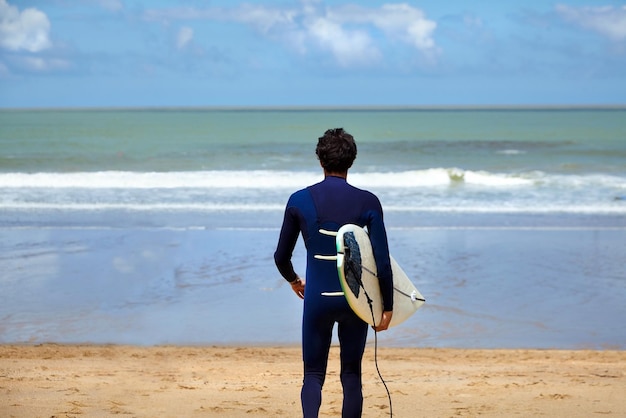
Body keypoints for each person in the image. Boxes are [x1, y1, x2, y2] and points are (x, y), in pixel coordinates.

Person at [274, 128, 394, 418]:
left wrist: (293, 280)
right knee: (351, 374)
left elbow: (281, 256)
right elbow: (382, 261)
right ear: (351, 161)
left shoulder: (299, 200)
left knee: (313, 375)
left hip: (317, 297)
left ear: (320, 160)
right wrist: (387, 307)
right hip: (355, 300)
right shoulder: (368, 202)